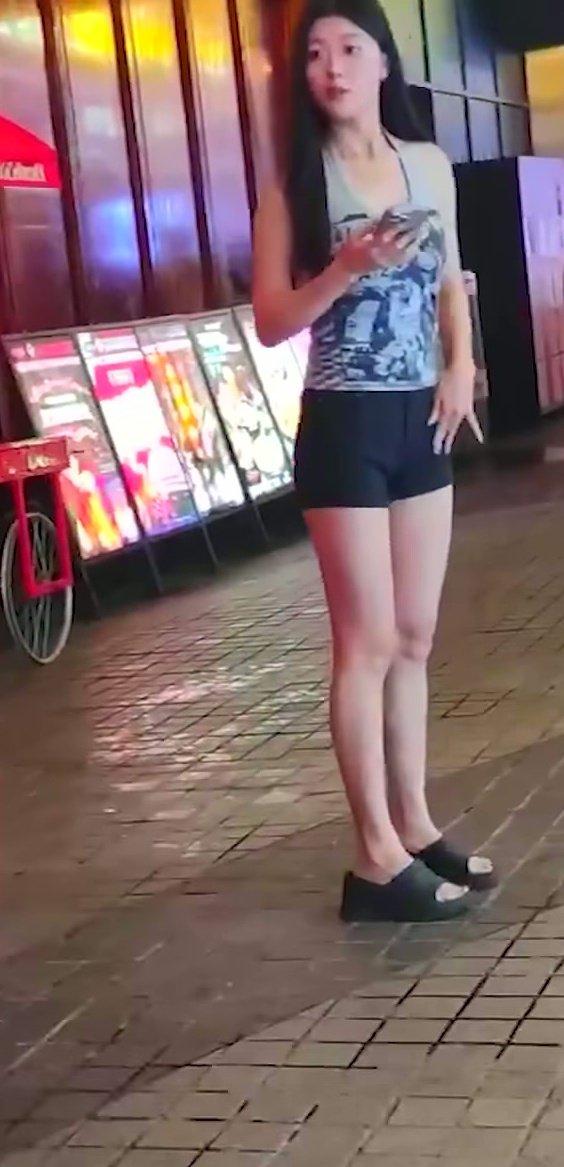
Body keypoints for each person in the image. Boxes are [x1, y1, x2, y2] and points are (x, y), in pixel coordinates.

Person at [252, 0, 497, 923]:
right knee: (365, 641)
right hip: (344, 422)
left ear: (384, 61)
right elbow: (271, 320)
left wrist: (461, 365)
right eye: (315, 52)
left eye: (350, 47)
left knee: (416, 636)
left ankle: (416, 824)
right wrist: (345, 266)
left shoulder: (426, 164)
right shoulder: (295, 184)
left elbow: (451, 278)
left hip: (419, 416)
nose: (332, 66)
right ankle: (373, 855)